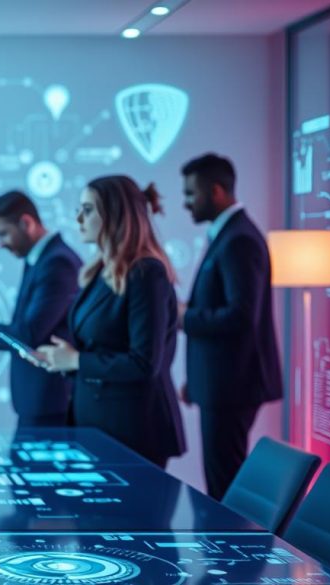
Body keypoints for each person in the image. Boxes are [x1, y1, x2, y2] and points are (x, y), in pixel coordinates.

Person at [36, 175, 185, 469]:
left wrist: (77, 361)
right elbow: (100, 347)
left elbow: (144, 363)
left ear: (116, 215)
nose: (78, 217)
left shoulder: (146, 273)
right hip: (99, 425)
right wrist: (63, 360)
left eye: (88, 209)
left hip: (135, 432)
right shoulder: (100, 272)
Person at [179, 153, 282, 500]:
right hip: (219, 383)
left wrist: (184, 317)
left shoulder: (240, 240)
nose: (185, 203)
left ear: (216, 191)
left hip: (232, 385)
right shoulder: (227, 236)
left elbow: (241, 316)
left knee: (225, 486)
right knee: (222, 482)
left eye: (191, 194)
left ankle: (233, 554)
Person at [0, 191, 81, 427]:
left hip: (49, 402)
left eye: (4, 234)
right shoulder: (43, 259)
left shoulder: (57, 262)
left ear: (26, 223)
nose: (1, 244)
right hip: (40, 401)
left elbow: (28, 336)